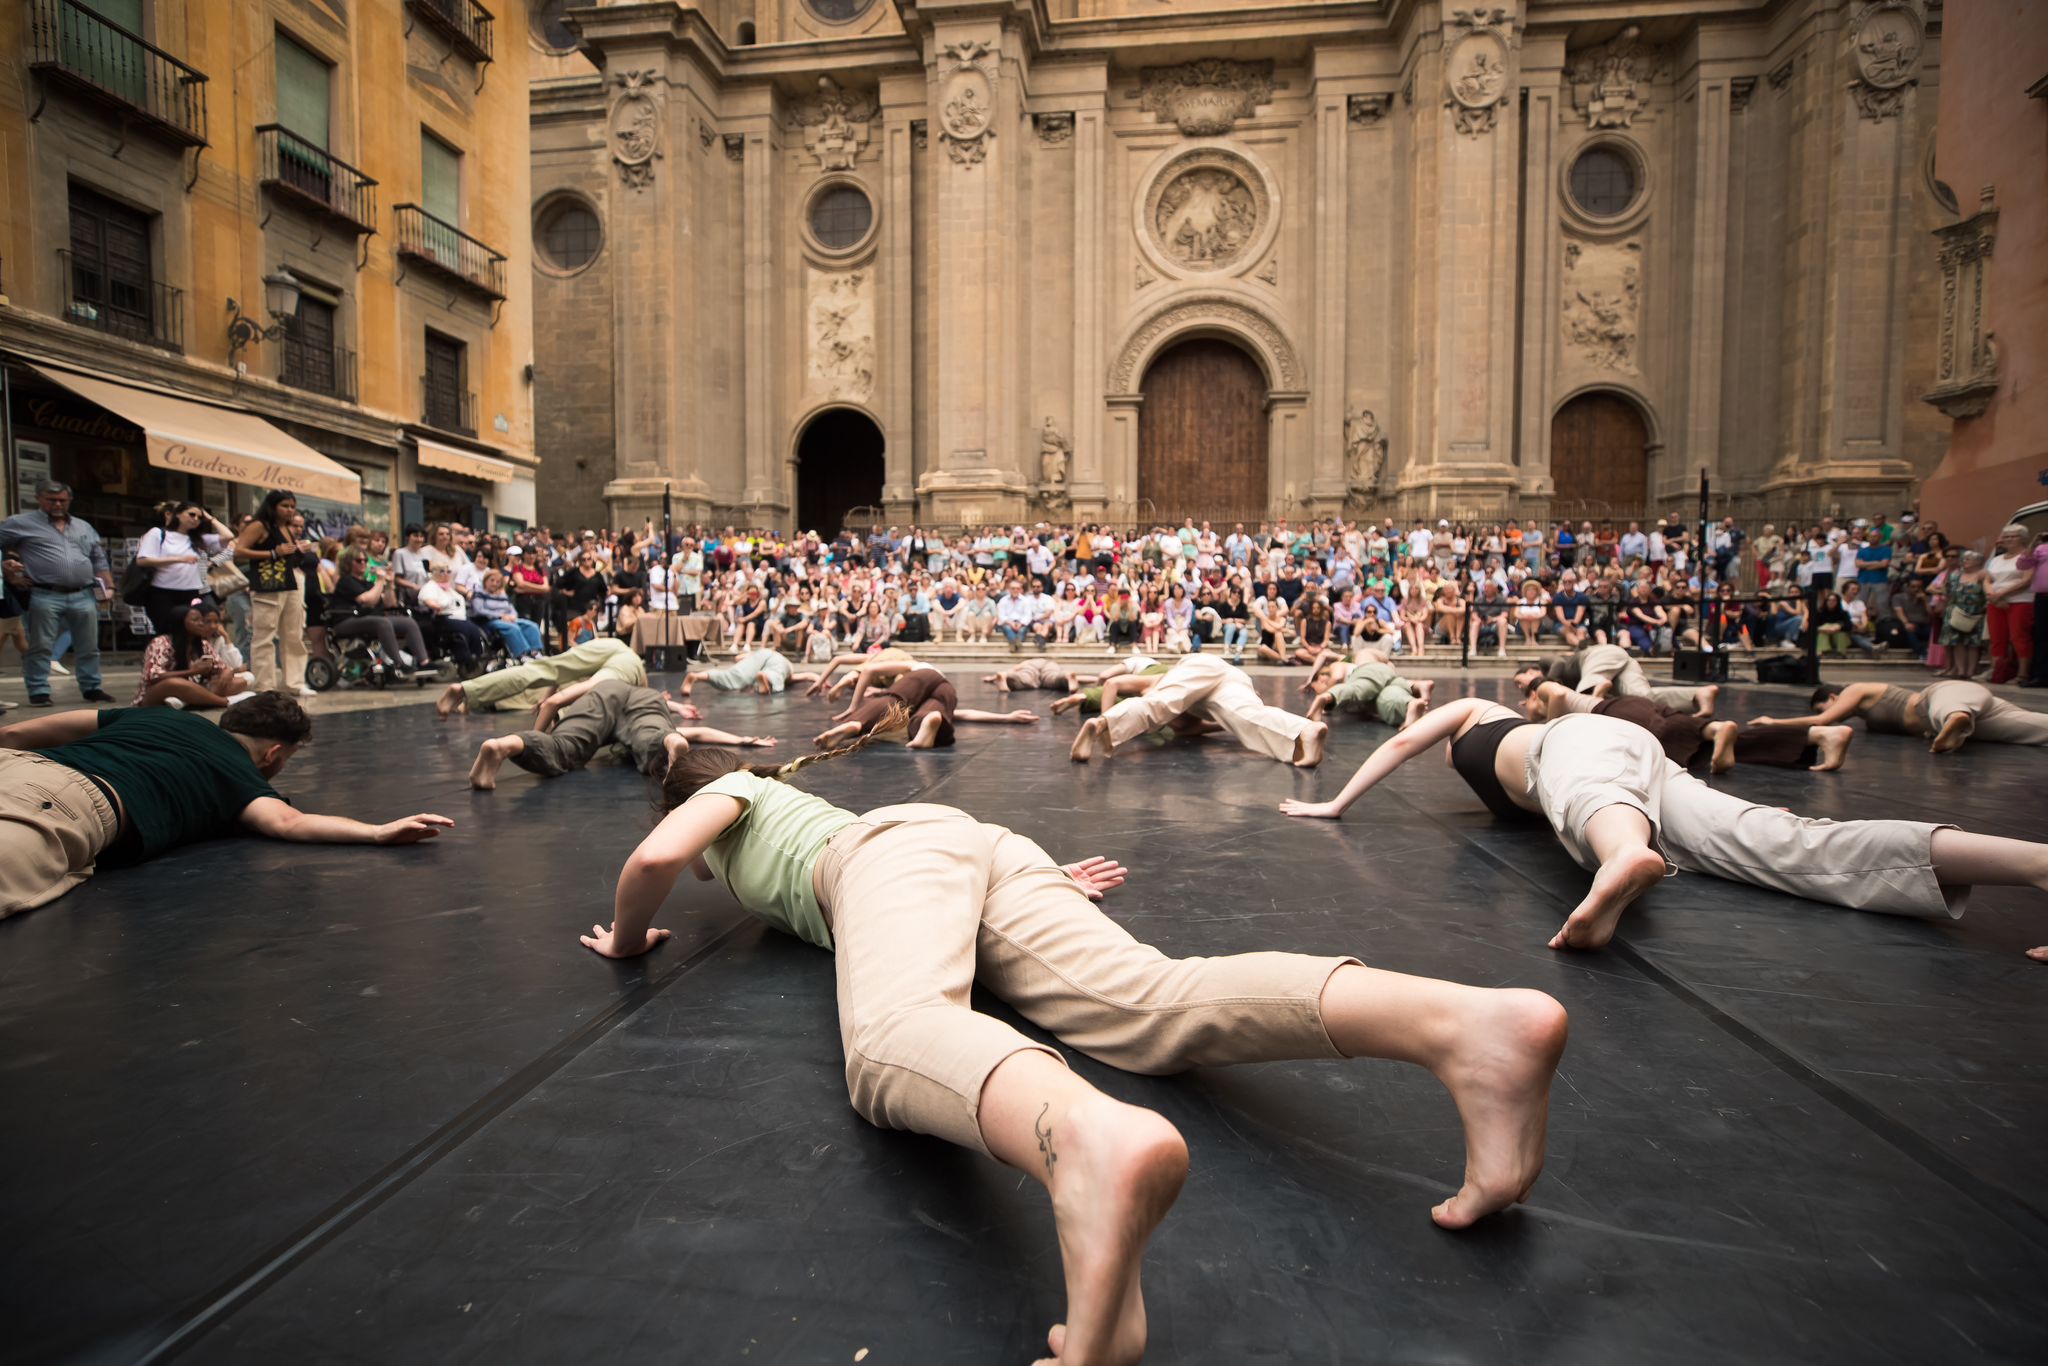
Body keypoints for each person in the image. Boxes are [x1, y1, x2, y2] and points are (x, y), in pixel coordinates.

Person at [579, 745, 1569, 1364]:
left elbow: (655, 859)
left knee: (891, 1038)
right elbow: (933, 865)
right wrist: (1036, 879)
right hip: (978, 847)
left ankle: (1081, 1137)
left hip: (893, 861)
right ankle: (1465, 1025)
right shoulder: (798, 802)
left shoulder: (732, 792)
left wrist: (625, 938)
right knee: (1147, 999)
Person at [1281, 696, 2048, 957]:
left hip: (1587, 753)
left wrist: (1335, 804)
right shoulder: (1523, 753)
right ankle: (2036, 862)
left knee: (1591, 807)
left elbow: (1401, 741)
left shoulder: (1484, 717)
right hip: (1644, 769)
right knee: (1794, 847)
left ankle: (1621, 861)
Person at [0, 693, 452, 917]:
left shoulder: (157, 715)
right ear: (274, 754)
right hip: (62, 800)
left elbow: (15, 734)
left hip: (18, 765)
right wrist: (377, 831)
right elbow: (287, 823)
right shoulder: (238, 772)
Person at [467, 676, 774, 789]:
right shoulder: (650, 697)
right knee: (652, 737)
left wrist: (542, 735)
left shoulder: (610, 677)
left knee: (565, 746)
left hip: (605, 692)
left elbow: (555, 699)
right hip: (647, 704)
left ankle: (504, 745)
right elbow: (701, 732)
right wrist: (744, 739)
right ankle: (670, 741)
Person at [1516, 674, 1851, 773]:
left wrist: (1548, 728)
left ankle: (1715, 729)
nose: (1524, 703)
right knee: (1711, 751)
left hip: (1614, 710)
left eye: (1524, 697)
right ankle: (1818, 736)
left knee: (1664, 733)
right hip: (1624, 709)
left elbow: (1556, 694)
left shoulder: (1545, 688)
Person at [1071, 653, 1328, 767]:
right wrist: (1222, 726)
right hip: (1233, 678)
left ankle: (1101, 726)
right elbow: (1192, 728)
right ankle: (1305, 730)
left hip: (1201, 664)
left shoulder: (1159, 675)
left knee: (1158, 703)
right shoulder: (1191, 711)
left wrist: (1105, 716)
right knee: (1248, 716)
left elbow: (1145, 696)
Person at [0, 480, 116, 706]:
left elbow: (98, 558)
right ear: (39, 499)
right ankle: (39, 690)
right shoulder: (20, 523)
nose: (57, 504)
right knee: (40, 645)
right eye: (51, 500)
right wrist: (9, 565)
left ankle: (92, 687)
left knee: (88, 645)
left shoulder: (83, 526)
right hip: (44, 593)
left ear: (69, 500)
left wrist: (109, 586)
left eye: (62, 500)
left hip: (83, 593)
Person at [1754, 680, 2048, 752]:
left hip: (1941, 695)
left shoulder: (1854, 690)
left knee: (1949, 709)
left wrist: (1773, 722)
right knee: (2033, 729)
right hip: (1968, 716)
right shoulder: (1865, 717)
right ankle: (1956, 722)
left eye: (1827, 706)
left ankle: (1955, 719)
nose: (1832, 714)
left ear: (1832, 697)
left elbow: (1822, 721)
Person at [813, 661, 1037, 750]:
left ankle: (855, 724)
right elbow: (963, 713)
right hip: (945, 688)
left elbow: (869, 671)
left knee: (894, 701)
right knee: (935, 710)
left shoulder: (906, 663)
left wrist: (854, 708)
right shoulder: (935, 686)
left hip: (922, 672)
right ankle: (929, 723)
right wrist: (1007, 717)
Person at [233, 491, 315, 699]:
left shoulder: (286, 527)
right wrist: (272, 553)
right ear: (273, 506)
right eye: (285, 506)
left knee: (294, 633)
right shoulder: (259, 525)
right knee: (264, 635)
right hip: (267, 584)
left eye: (292, 506)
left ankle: (294, 683)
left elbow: (285, 553)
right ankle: (265, 685)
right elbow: (238, 551)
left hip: (290, 581)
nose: (290, 510)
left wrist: (297, 549)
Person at [437, 636, 645, 717]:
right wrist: (551, 703)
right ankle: (558, 714)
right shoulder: (635, 679)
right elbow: (591, 688)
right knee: (593, 688)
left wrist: (547, 696)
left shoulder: (628, 663)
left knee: (540, 669)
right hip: (627, 663)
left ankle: (464, 689)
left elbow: (557, 675)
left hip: (610, 644)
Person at [326, 548, 432, 679]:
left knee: (407, 622)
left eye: (365, 560)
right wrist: (380, 581)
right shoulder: (346, 581)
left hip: (369, 619)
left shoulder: (368, 583)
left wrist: (389, 584)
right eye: (359, 560)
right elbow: (367, 601)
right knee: (382, 622)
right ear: (349, 563)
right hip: (347, 620)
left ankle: (424, 661)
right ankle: (398, 662)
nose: (363, 563)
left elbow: (389, 604)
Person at [132, 500, 232, 636]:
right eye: (191, 514)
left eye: (199, 517)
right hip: (163, 592)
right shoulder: (158, 534)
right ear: (178, 514)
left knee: (194, 634)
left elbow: (228, 536)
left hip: (193, 593)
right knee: (166, 634)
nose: (196, 519)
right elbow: (142, 560)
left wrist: (210, 518)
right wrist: (178, 559)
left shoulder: (198, 539)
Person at [133, 597, 251, 711]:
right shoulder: (161, 642)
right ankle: (225, 701)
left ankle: (186, 701)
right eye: (196, 620)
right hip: (155, 695)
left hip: (193, 688)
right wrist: (192, 671)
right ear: (180, 622)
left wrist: (227, 672)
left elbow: (221, 667)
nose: (201, 624)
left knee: (239, 681)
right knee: (173, 683)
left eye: (201, 620)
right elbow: (152, 676)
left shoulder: (203, 644)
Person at [1304, 651, 1433, 730]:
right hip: (1390, 682)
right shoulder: (1381, 665)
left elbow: (1340, 680)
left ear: (1320, 678)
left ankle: (1324, 699)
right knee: (1387, 699)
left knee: (1358, 688)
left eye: (1315, 689)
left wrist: (1327, 696)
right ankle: (1409, 703)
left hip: (1368, 673)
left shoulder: (1345, 662)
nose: (1316, 690)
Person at [680, 647, 819, 696]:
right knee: (775, 675)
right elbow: (808, 675)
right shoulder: (788, 669)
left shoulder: (758, 654)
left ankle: (696, 676)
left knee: (731, 676)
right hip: (779, 665)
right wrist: (820, 681)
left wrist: (744, 663)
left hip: (760, 654)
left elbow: (737, 657)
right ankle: (766, 679)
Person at [471, 570, 545, 660]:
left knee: (531, 625)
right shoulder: (479, 593)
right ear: (485, 581)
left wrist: (512, 616)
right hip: (489, 621)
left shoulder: (502, 595)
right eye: (492, 580)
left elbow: (511, 609)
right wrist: (500, 616)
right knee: (513, 628)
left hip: (507, 619)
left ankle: (535, 652)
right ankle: (522, 655)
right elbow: (479, 610)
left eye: (497, 582)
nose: (494, 583)